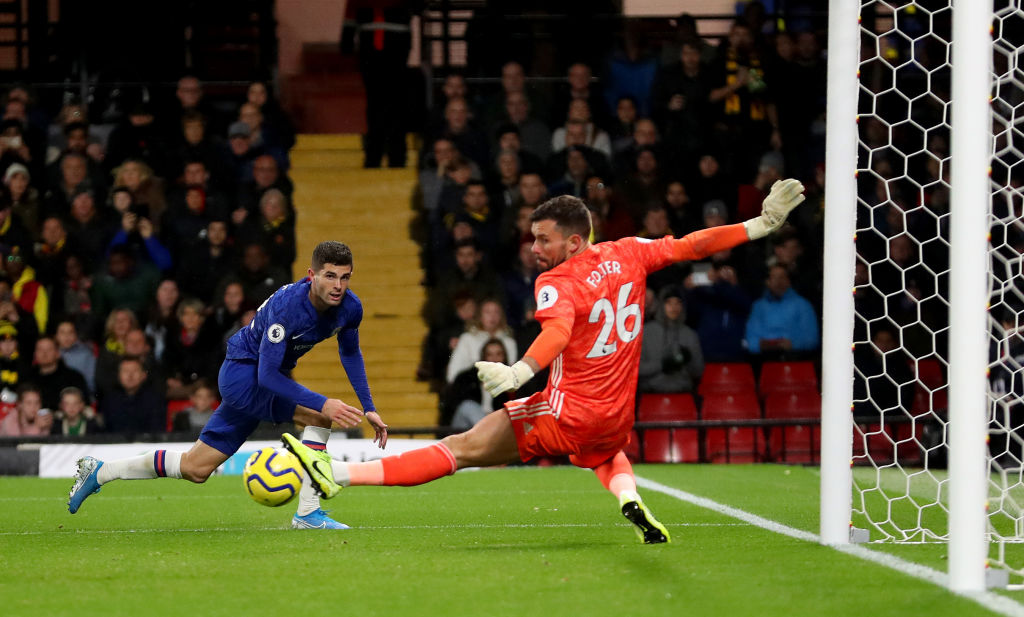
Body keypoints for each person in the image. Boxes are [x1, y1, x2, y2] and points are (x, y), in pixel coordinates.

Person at [283, 180, 805, 544]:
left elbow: (556, 331)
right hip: (618, 416)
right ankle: (628, 498)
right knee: (602, 453)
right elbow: (694, 244)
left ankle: (337, 475)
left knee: (460, 449)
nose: (534, 248)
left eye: (543, 239)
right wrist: (759, 225)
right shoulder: (630, 252)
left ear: (574, 242)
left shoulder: (558, 282)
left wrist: (518, 373)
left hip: (565, 410)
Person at [69, 241, 389, 532]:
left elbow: (349, 351)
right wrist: (322, 403)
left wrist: (369, 406)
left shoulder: (350, 307)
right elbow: (267, 377)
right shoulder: (287, 307)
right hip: (243, 377)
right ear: (311, 275)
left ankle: (101, 470)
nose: (338, 286)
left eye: (345, 277)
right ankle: (308, 513)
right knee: (320, 417)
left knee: (196, 468)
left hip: (261, 382)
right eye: (330, 276)